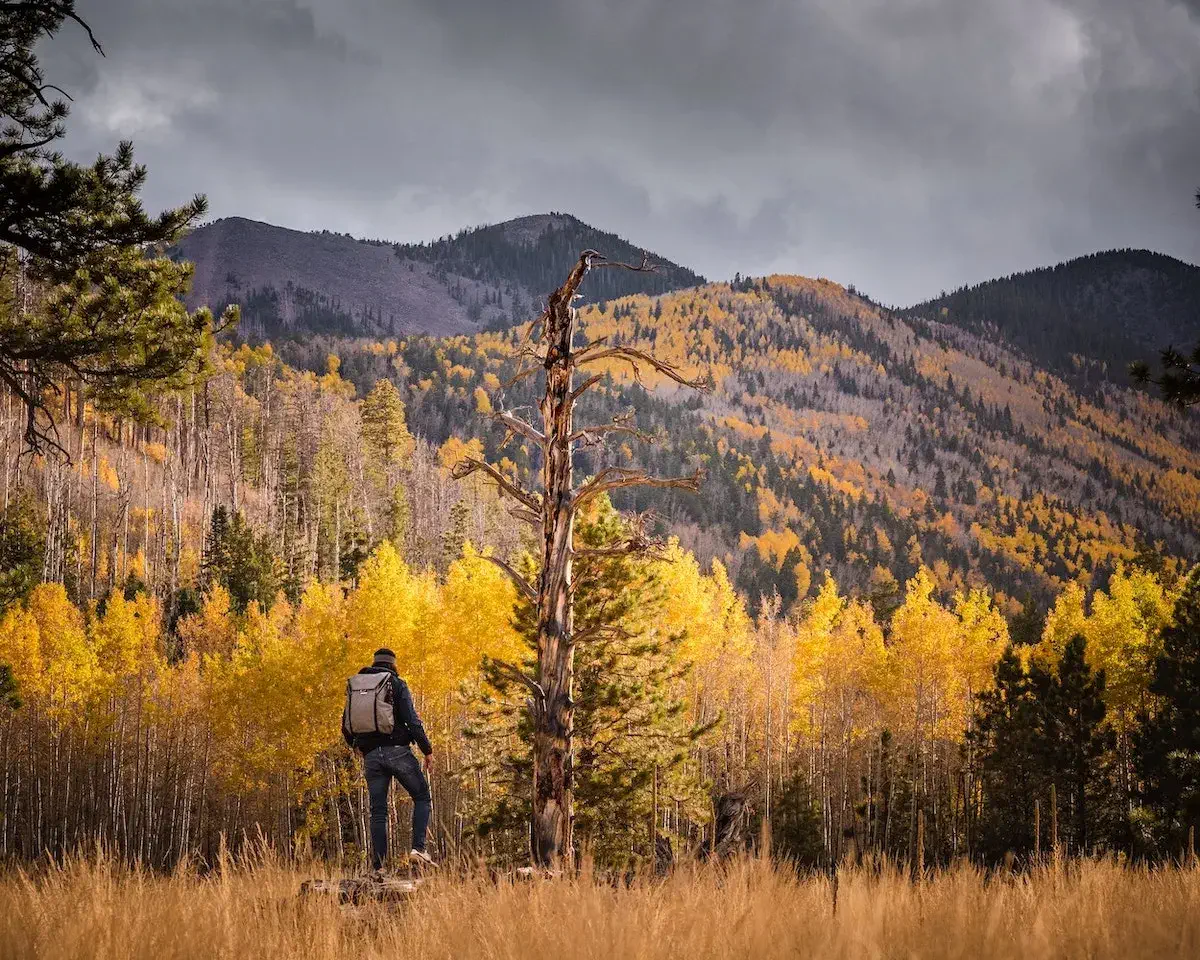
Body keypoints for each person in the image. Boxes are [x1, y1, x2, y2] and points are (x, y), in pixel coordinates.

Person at [342, 647, 436, 869]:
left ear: (374, 663)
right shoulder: (396, 684)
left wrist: (356, 745)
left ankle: (379, 866)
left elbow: (345, 725)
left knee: (378, 811)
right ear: (393, 664)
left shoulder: (357, 685)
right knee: (422, 797)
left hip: (371, 756)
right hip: (398, 751)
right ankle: (418, 849)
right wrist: (427, 750)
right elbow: (412, 721)